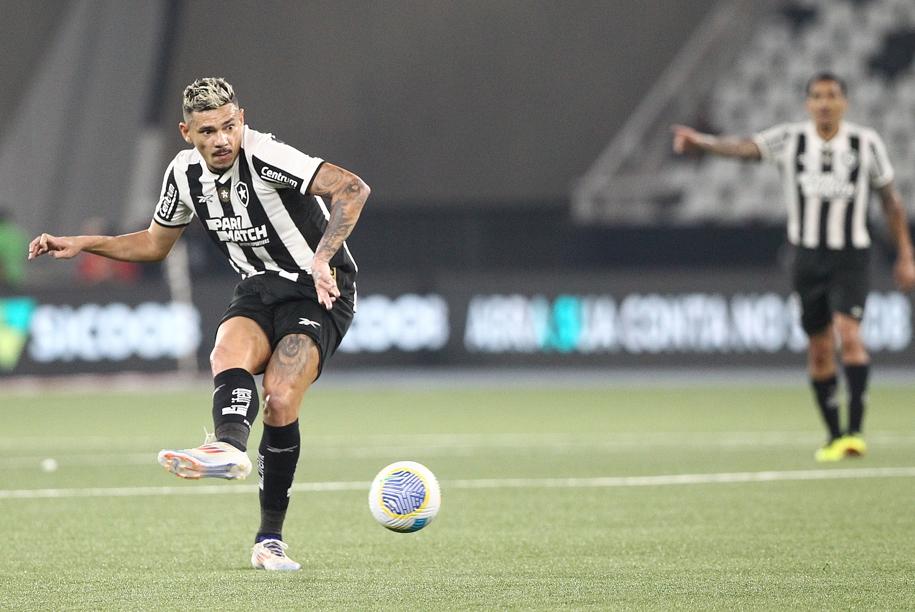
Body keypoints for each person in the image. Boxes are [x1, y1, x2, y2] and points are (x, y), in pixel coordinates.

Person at [28, 77, 370, 570]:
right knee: (225, 352)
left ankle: (270, 539)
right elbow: (153, 243)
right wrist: (84, 243)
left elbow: (352, 188)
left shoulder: (268, 156)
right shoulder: (184, 174)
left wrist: (323, 257)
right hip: (257, 287)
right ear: (187, 132)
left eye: (230, 125)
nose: (222, 139)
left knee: (278, 396)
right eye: (208, 130)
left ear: (242, 120)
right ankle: (228, 447)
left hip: (317, 287)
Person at [672, 72, 915, 462]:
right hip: (807, 257)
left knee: (849, 335)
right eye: (816, 96)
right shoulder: (791, 139)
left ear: (844, 103)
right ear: (807, 104)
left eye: (831, 96)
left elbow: (891, 202)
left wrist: (906, 254)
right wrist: (702, 143)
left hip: (850, 255)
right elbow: (745, 148)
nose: (824, 103)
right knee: (819, 349)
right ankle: (834, 435)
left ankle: (855, 431)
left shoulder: (865, 143)